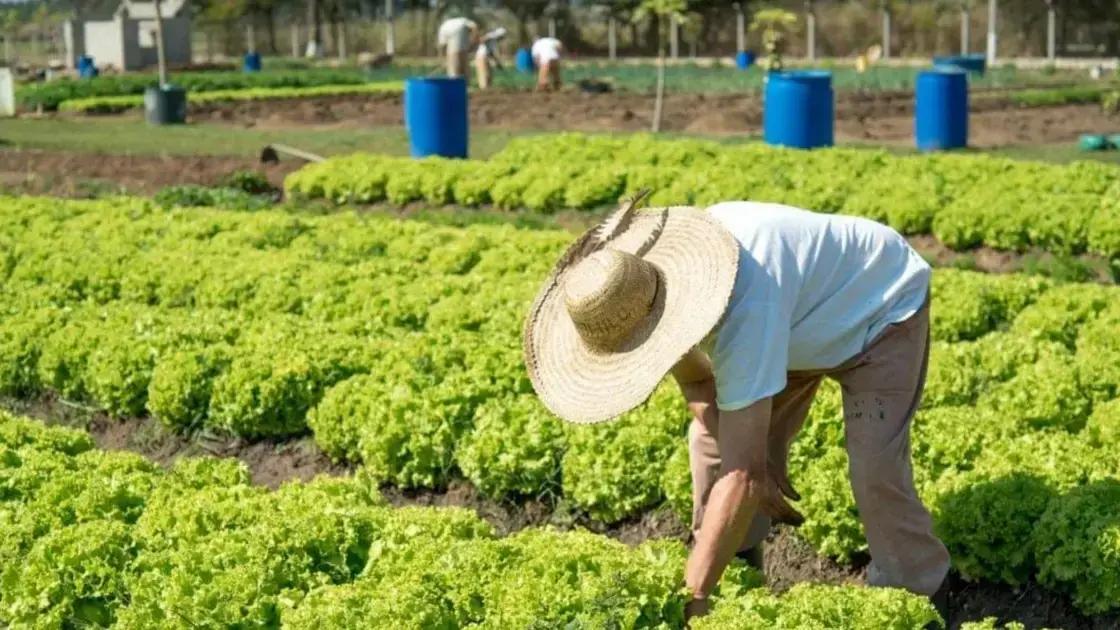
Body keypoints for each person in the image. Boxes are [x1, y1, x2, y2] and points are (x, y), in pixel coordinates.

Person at [523, 193, 951, 626]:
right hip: (794, 324)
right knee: (710, 443)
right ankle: (737, 574)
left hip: (879, 310)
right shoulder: (644, 297)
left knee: (875, 470)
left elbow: (742, 470)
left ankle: (918, 595)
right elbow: (698, 384)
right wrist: (745, 467)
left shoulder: (742, 301)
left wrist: (692, 592)